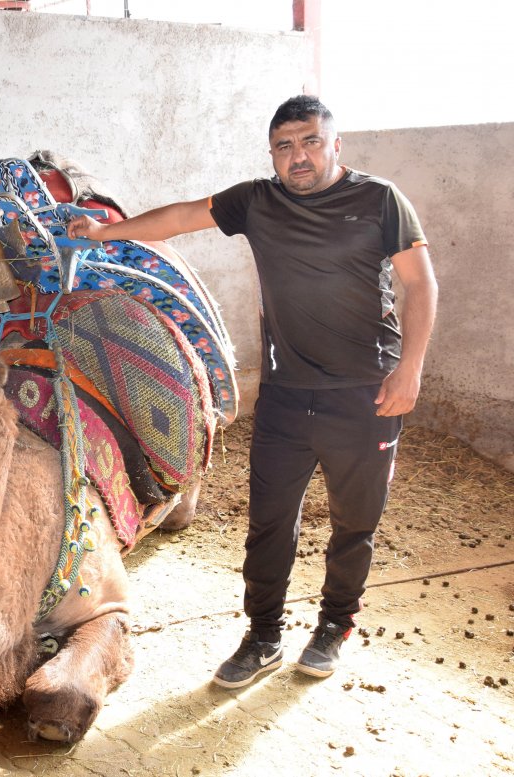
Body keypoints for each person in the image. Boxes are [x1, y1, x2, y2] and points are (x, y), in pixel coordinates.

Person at [68, 95, 437, 688]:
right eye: (284, 146)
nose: (298, 156)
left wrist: (410, 368)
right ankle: (263, 635)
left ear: (335, 144)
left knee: (355, 522)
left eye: (310, 141)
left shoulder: (380, 200)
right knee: (269, 521)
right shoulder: (258, 201)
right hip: (287, 394)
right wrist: (106, 233)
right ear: (272, 154)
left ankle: (335, 625)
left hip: (366, 395)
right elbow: (182, 216)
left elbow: (420, 283)